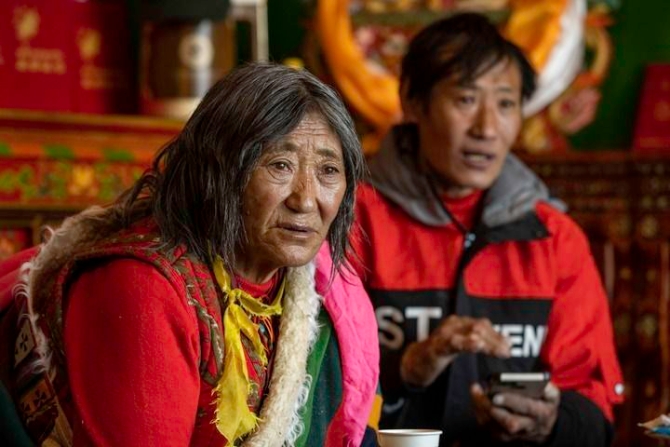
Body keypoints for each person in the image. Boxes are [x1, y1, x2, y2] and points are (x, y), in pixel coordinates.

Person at [0, 63, 381, 446]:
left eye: (328, 171)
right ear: (219, 171)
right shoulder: (144, 288)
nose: (306, 200)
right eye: (280, 165)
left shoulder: (321, 295)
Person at [351, 13, 624, 447]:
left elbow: (594, 409)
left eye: (505, 104)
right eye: (465, 100)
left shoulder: (553, 238)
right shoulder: (352, 222)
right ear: (413, 102)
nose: (487, 128)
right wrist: (405, 371)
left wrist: (551, 422)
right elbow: (311, 392)